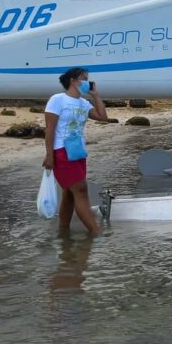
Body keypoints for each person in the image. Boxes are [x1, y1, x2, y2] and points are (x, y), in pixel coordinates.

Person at [43, 67, 108, 235]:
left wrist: (96, 95)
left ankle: (63, 232)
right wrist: (49, 155)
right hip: (61, 150)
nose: (87, 82)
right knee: (81, 189)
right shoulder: (58, 99)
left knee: (69, 193)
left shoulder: (84, 103)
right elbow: (49, 129)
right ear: (72, 80)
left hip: (78, 151)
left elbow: (103, 118)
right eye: (83, 78)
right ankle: (96, 232)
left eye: (88, 79)